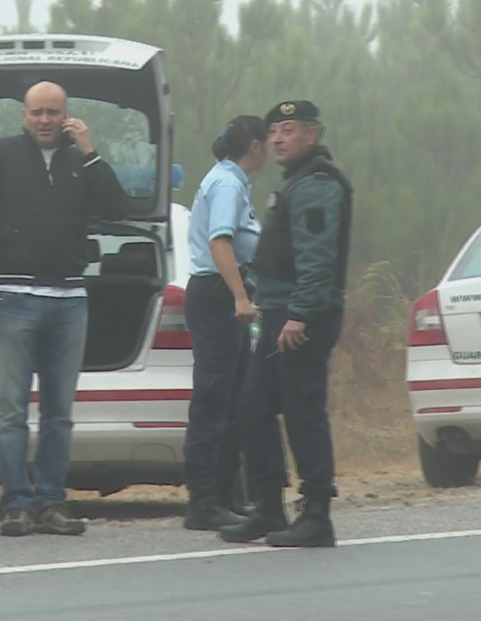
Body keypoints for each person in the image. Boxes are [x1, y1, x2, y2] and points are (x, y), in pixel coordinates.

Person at [0, 81, 129, 537]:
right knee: (12, 410)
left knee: (59, 412)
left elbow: (117, 209)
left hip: (69, 302)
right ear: (24, 115)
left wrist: (91, 152)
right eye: (37, 112)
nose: (46, 120)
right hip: (11, 299)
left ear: (67, 116)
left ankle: (52, 503)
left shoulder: (81, 161)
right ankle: (16, 504)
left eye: (54, 112)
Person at [220, 100, 353, 548]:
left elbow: (317, 259)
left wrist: (301, 315)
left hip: (302, 315)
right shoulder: (296, 180)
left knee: (302, 412)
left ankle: (316, 514)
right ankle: (269, 507)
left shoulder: (317, 184)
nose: (277, 138)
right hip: (277, 310)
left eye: (288, 130)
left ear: (311, 135)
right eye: (274, 131)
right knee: (254, 406)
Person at [182, 115, 268, 531]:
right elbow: (220, 241)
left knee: (233, 397)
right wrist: (239, 295)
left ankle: (226, 495)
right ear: (255, 145)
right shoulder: (228, 184)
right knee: (213, 398)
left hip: (221, 292)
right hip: (218, 294)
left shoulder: (229, 179)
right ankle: (202, 501)